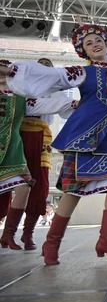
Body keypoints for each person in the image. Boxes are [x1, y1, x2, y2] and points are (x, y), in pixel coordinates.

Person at [1, 22, 107, 264]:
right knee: (74, 191)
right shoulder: (81, 72)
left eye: (98, 40)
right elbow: (53, 76)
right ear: (84, 51)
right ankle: (52, 243)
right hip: (84, 136)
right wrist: (12, 72)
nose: (95, 44)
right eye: (88, 43)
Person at [0, 60, 75, 250]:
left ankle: (26, 232)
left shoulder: (44, 92)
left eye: (46, 67)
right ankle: (8, 233)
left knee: (37, 183)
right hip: (16, 135)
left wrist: (78, 103)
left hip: (36, 137)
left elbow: (61, 107)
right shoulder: (19, 89)